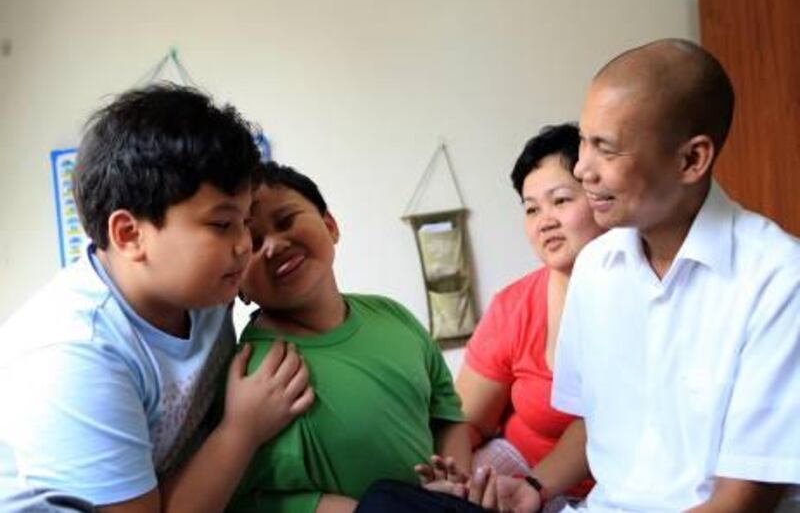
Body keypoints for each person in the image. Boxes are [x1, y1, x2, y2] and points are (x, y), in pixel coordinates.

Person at [437, 38, 800, 512]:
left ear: (692, 159)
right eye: (585, 141)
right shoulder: (596, 267)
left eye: (605, 149)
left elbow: (741, 501)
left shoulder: (777, 279)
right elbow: (595, 426)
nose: (584, 169)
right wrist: (532, 486)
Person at [0, 84, 314, 512]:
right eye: (223, 225)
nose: (245, 245)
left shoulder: (203, 284)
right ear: (130, 235)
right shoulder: (78, 352)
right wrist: (241, 430)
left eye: (245, 222)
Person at [226, 161, 470, 513]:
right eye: (254, 242)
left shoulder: (393, 317)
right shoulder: (252, 376)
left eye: (286, 221)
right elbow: (247, 499)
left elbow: (445, 411)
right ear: (236, 281)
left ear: (330, 226)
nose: (275, 246)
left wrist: (452, 488)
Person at [453, 124, 601, 501]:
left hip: (607, 487)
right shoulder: (514, 307)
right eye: (531, 209)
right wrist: (454, 474)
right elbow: (468, 422)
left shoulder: (650, 294)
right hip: (517, 465)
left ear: (603, 196)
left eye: (561, 201)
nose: (544, 220)